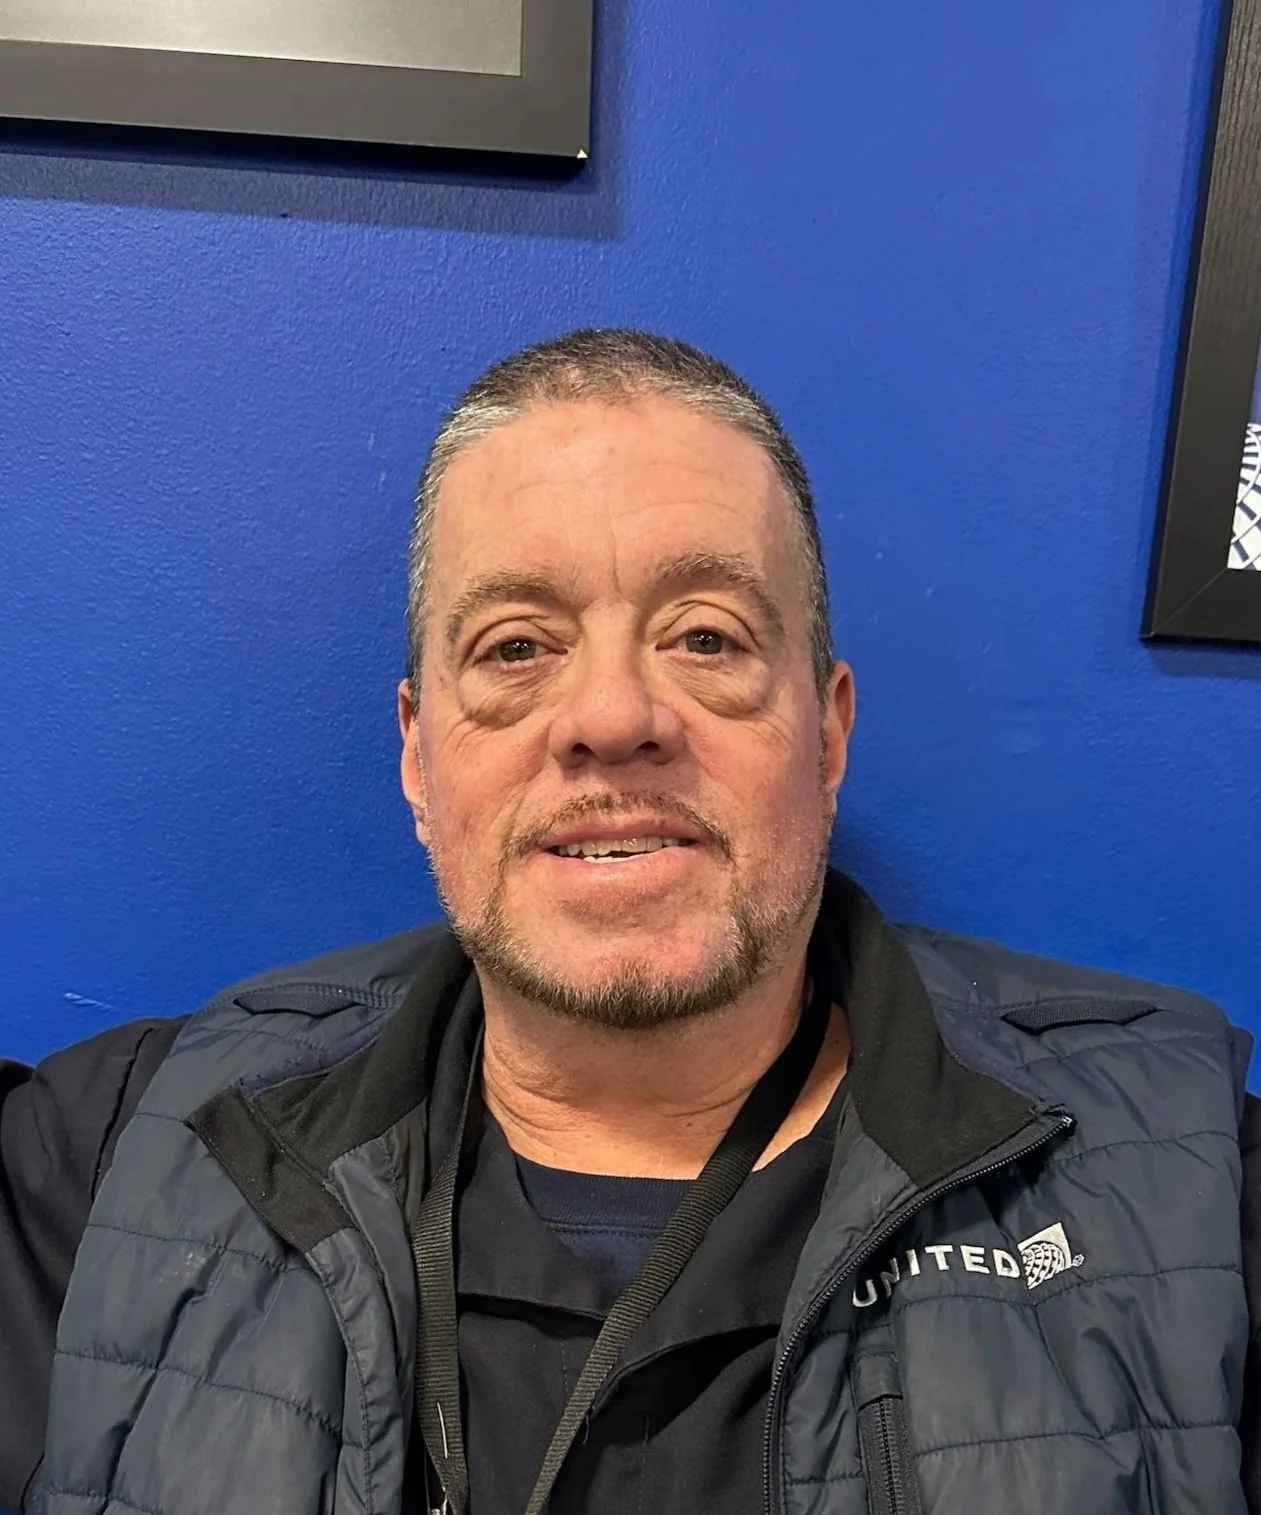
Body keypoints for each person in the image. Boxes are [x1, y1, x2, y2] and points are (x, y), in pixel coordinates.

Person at [3, 328, 1259, 1515]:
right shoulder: (110, 1159)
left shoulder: (1191, 1186)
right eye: (515, 648)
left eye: (704, 637)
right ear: (418, 756)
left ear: (826, 736)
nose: (611, 717)